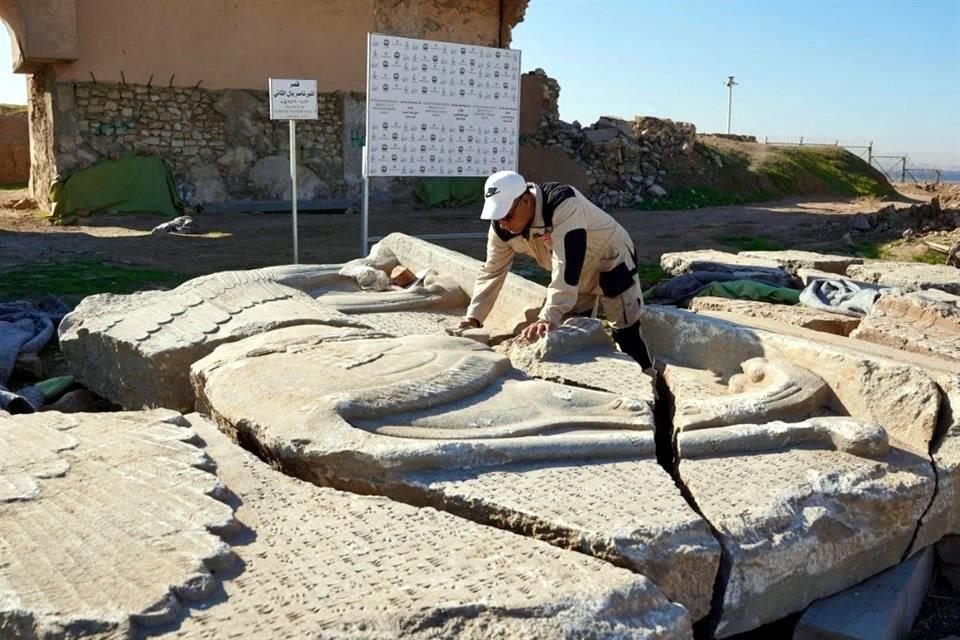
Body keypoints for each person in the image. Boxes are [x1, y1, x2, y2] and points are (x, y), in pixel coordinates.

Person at [457, 170, 653, 368]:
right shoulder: (502, 228)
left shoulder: (562, 203)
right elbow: (492, 271)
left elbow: (566, 262)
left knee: (626, 330)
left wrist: (548, 316)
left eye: (507, 215)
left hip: (611, 260)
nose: (502, 223)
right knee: (575, 331)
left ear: (525, 200)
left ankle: (651, 384)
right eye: (497, 216)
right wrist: (473, 317)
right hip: (574, 273)